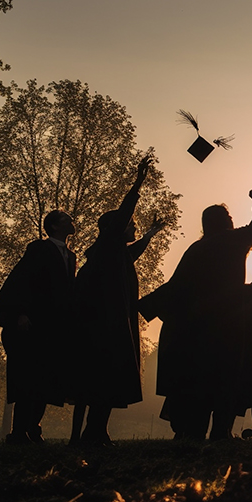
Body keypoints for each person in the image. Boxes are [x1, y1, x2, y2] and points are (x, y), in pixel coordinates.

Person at [147, 190, 252, 440]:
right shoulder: (231, 241)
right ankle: (221, 431)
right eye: (228, 215)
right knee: (226, 378)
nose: (231, 219)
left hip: (195, 326)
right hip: (227, 323)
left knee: (199, 380)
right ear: (223, 222)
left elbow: (179, 286)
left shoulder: (197, 248)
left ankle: (192, 431)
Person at [72, 155, 162, 445]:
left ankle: (96, 430)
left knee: (107, 381)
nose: (133, 229)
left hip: (113, 324)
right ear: (116, 228)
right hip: (103, 326)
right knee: (95, 381)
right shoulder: (108, 246)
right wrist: (138, 181)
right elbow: (124, 212)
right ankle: (86, 433)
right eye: (131, 226)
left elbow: (137, 250)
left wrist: (150, 233)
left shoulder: (117, 254)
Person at [0, 210, 76, 444]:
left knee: (47, 380)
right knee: (28, 378)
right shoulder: (40, 249)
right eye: (67, 219)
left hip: (55, 328)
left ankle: (33, 428)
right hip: (33, 324)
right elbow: (22, 280)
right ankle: (19, 432)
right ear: (55, 226)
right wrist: (19, 313)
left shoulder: (70, 255)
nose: (72, 222)